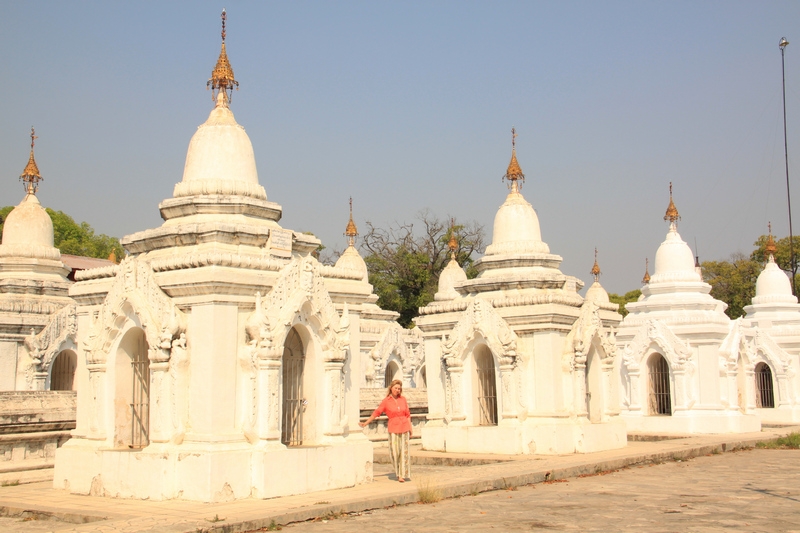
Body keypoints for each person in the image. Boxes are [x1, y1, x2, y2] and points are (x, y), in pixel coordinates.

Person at [360, 379, 411, 482]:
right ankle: (397, 471)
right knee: (395, 452)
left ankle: (402, 474)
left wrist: (410, 428)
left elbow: (408, 415)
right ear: (391, 388)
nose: (397, 390)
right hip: (393, 429)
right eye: (396, 388)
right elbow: (377, 412)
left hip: (404, 428)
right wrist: (366, 423)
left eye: (399, 389)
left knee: (404, 452)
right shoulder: (386, 401)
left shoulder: (403, 399)